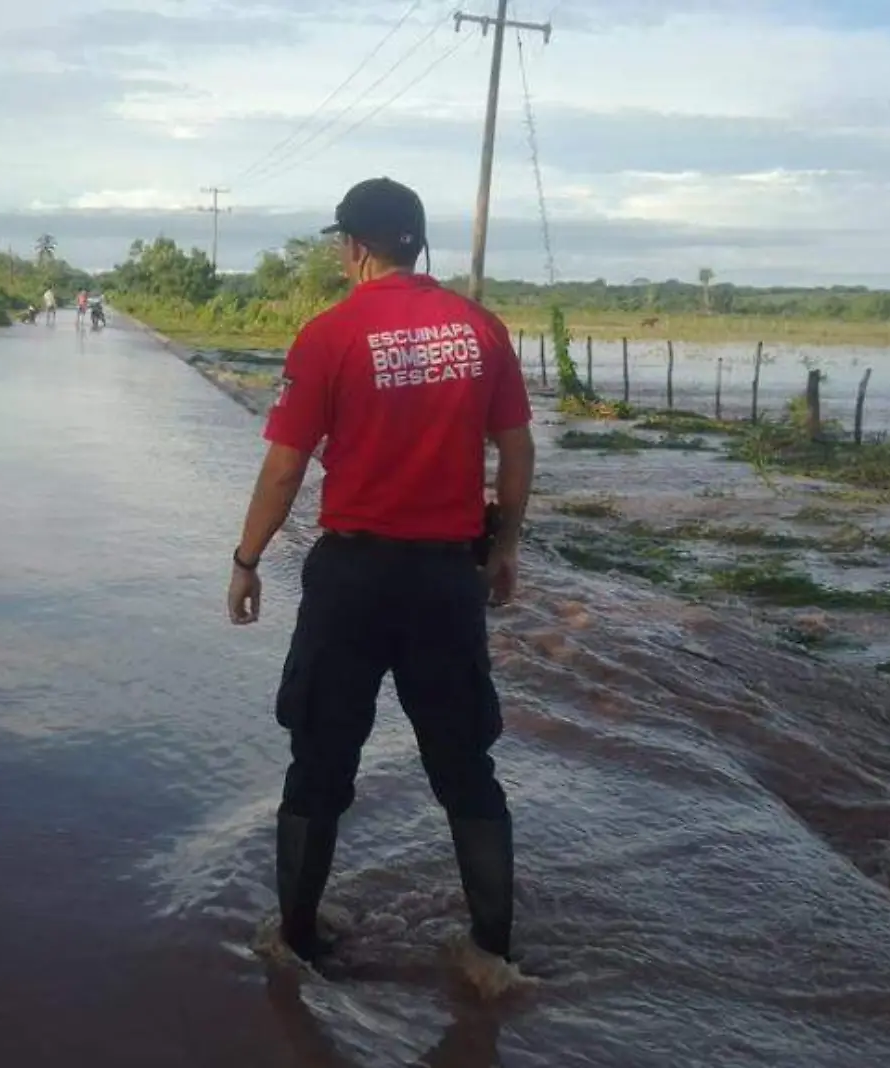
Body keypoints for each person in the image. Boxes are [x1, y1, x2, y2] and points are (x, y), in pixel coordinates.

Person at [225, 176, 536, 967]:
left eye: (342, 242)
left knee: (321, 757)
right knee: (465, 763)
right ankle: (492, 955)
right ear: (417, 242)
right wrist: (503, 549)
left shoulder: (329, 334)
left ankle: (295, 942)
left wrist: (247, 559)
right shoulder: (480, 328)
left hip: (353, 581)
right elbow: (517, 448)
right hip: (445, 581)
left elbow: (286, 468)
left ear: (357, 247)